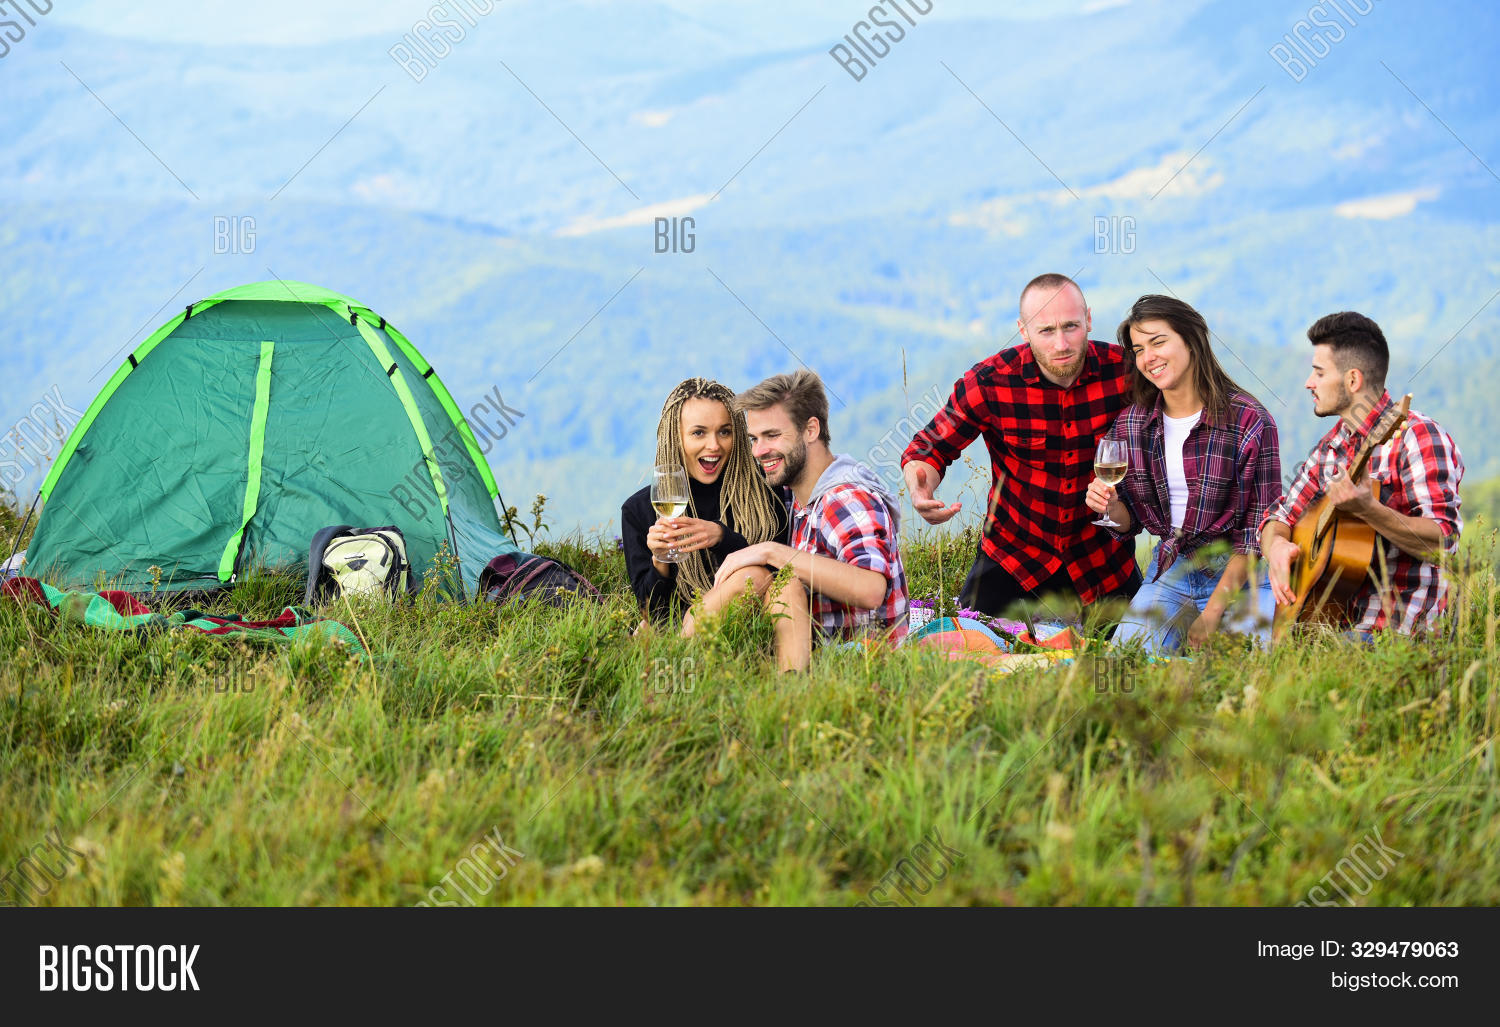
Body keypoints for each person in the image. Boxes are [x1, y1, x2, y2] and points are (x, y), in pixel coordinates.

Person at [902, 273, 1141, 620]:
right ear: (1024, 329)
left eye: (1071, 326)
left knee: (1137, 654)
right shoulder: (990, 381)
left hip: (1101, 561)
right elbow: (929, 447)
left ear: (1089, 319)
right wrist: (921, 484)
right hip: (1012, 558)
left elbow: (1184, 406)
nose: (1061, 344)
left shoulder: (1126, 373)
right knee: (970, 647)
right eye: (1046, 330)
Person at [1084, 295, 1282, 651]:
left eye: (1158, 342)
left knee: (1247, 677)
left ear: (1192, 339)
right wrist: (1110, 505)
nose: (1148, 358)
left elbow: (1256, 531)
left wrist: (1213, 613)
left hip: (1245, 575)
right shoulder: (1132, 424)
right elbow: (1130, 522)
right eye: (1139, 349)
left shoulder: (1250, 420)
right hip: (1174, 569)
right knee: (1125, 664)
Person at [1259, 312, 1463, 637]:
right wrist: (1277, 547)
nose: (1309, 383)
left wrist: (1370, 510)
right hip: (1327, 624)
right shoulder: (1332, 446)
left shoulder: (1418, 437)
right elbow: (1278, 516)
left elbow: (1443, 541)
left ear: (1352, 380)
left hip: (1395, 638)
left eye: (1318, 372)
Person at [711, 370, 908, 672]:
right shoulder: (797, 496)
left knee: (761, 576)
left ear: (811, 430)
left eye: (772, 435)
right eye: (754, 438)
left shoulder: (844, 500)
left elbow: (871, 589)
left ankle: (675, 652)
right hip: (826, 662)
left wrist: (772, 552)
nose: (759, 451)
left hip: (865, 669)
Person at [620, 378, 789, 631]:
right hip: (687, 636)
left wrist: (722, 537)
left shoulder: (765, 493)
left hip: (757, 631)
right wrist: (661, 562)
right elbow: (654, 614)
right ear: (675, 437)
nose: (714, 445)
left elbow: (777, 575)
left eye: (725, 431)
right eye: (698, 432)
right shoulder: (638, 511)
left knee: (752, 576)